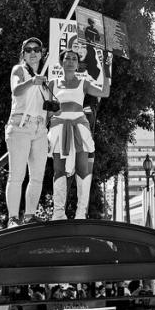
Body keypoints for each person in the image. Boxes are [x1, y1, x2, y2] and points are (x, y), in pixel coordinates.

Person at [47, 46, 110, 220]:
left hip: (80, 128)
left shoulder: (84, 83)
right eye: (67, 58)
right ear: (61, 62)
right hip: (58, 129)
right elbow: (46, 111)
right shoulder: (51, 82)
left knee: (83, 169)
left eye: (74, 59)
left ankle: (81, 213)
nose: (70, 61)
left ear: (77, 64)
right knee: (59, 171)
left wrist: (106, 70)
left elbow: (105, 92)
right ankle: (58, 213)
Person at [5, 37, 51, 226]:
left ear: (42, 53)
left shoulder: (43, 79)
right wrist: (32, 81)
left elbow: (47, 108)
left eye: (36, 49)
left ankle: (30, 215)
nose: (33, 52)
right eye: (28, 49)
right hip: (20, 126)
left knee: (37, 176)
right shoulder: (19, 70)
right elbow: (16, 90)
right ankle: (13, 218)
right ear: (23, 54)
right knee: (16, 175)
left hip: (40, 129)